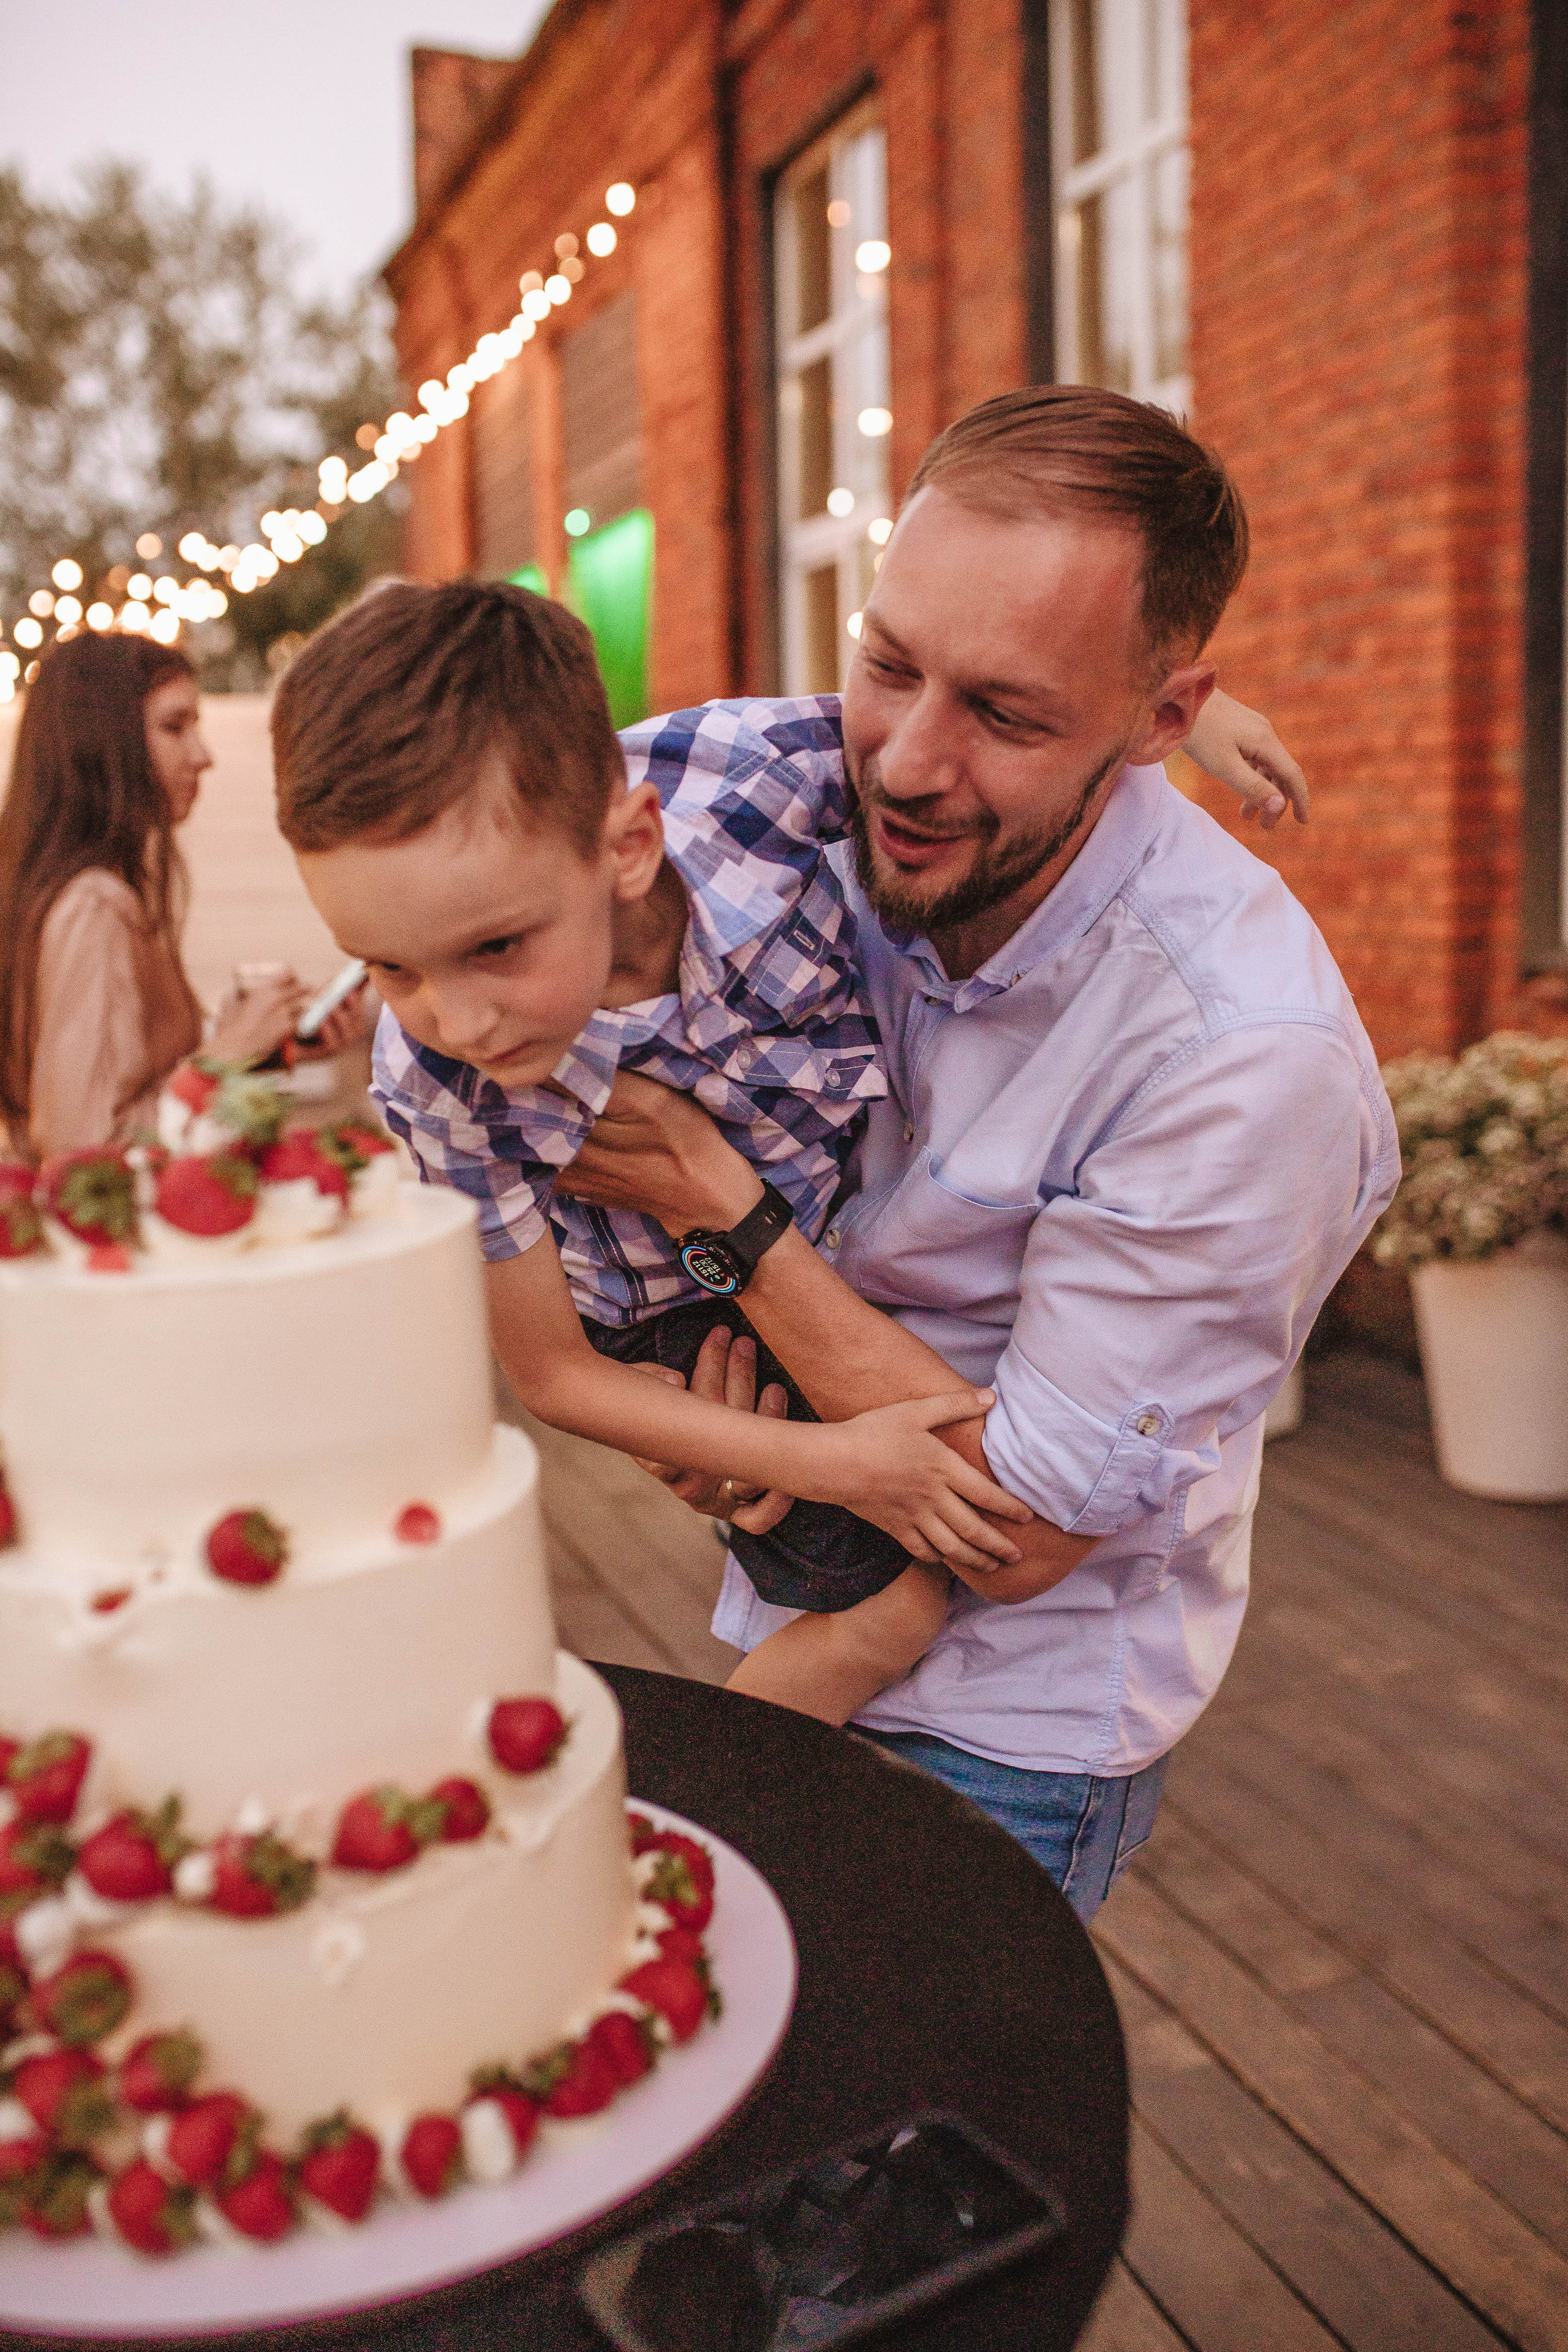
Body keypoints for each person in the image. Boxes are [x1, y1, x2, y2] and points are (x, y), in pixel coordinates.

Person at [544, 386, 1398, 1920]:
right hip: (797, 1590)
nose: (903, 762)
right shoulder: (815, 800)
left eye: (1003, 714)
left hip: (1005, 1731)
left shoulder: (1243, 1060)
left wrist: (719, 1218)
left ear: (1156, 720)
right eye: (888, 665)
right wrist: (730, 1438)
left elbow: (1015, 1532)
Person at [273, 567, 1309, 1721]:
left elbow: (969, 734)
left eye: (499, 948)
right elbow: (555, 1373)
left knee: (994, 1493)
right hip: (664, 1316)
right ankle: (693, 1823)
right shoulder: (436, 1076)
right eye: (390, 969)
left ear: (628, 847)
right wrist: (827, 1461)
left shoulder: (751, 786)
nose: (456, 1022)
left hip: (831, 1211)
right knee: (898, 1601)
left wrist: (1185, 716)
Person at [0, 633, 335, 1160]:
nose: (203, 756)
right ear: (105, 741)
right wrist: (226, 1054)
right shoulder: (92, 904)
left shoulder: (102, 889)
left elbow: (141, 1078)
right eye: (175, 727)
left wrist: (259, 1039)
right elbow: (83, 1151)